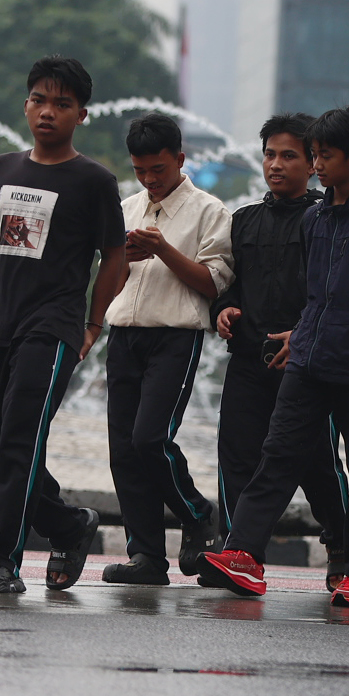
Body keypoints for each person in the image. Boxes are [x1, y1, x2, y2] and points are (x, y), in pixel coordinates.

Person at [199, 105, 349, 609]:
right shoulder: (315, 218)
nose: (317, 165)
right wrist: (299, 336)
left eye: (324, 156)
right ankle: (243, 553)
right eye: (313, 154)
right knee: (278, 454)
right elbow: (318, 295)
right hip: (308, 360)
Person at [0, 55, 126, 594]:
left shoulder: (94, 181)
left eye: (62, 104)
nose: (48, 112)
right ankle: (68, 524)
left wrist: (93, 324)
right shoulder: (2, 168)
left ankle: (3, 560)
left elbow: (114, 257)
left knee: (20, 439)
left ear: (81, 115)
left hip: (53, 326)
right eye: (39, 100)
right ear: (25, 106)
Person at [210, 114, 349, 592]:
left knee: (318, 464)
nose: (275, 164)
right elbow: (229, 283)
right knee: (235, 455)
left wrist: (303, 335)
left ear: (312, 164)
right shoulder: (245, 219)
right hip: (249, 359)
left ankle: (342, 544)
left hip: (306, 363)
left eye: (289, 155)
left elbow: (333, 291)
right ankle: (240, 553)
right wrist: (224, 310)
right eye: (270, 154)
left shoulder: (325, 219)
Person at [98, 113, 234, 585]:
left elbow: (213, 284)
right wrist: (126, 258)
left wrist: (163, 250)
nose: (150, 180)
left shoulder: (209, 211)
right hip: (124, 334)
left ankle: (197, 513)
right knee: (123, 450)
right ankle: (147, 557)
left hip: (176, 336)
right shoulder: (127, 207)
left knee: (149, 439)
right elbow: (111, 283)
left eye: (158, 169)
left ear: (180, 158)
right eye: (140, 170)